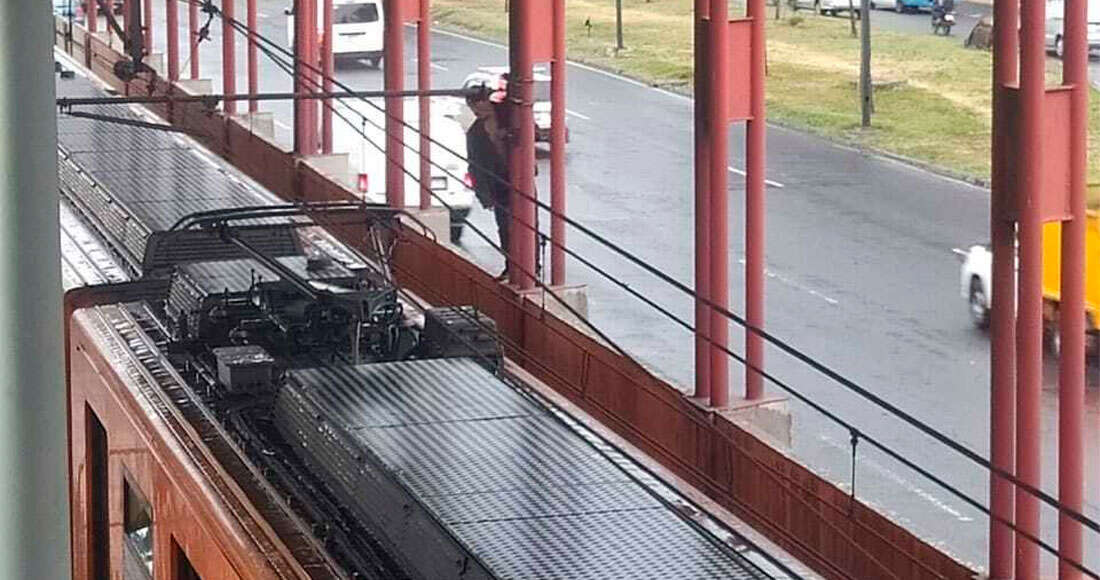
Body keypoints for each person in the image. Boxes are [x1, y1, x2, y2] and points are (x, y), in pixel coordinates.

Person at [466, 84, 513, 280]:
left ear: (486, 101)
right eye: (472, 107)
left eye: (478, 105)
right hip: (498, 184)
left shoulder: (507, 115)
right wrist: (484, 195)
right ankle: (511, 266)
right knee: (504, 227)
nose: (476, 111)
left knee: (528, 225)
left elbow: (531, 132)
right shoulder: (474, 133)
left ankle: (531, 266)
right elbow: (475, 165)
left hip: (518, 178)